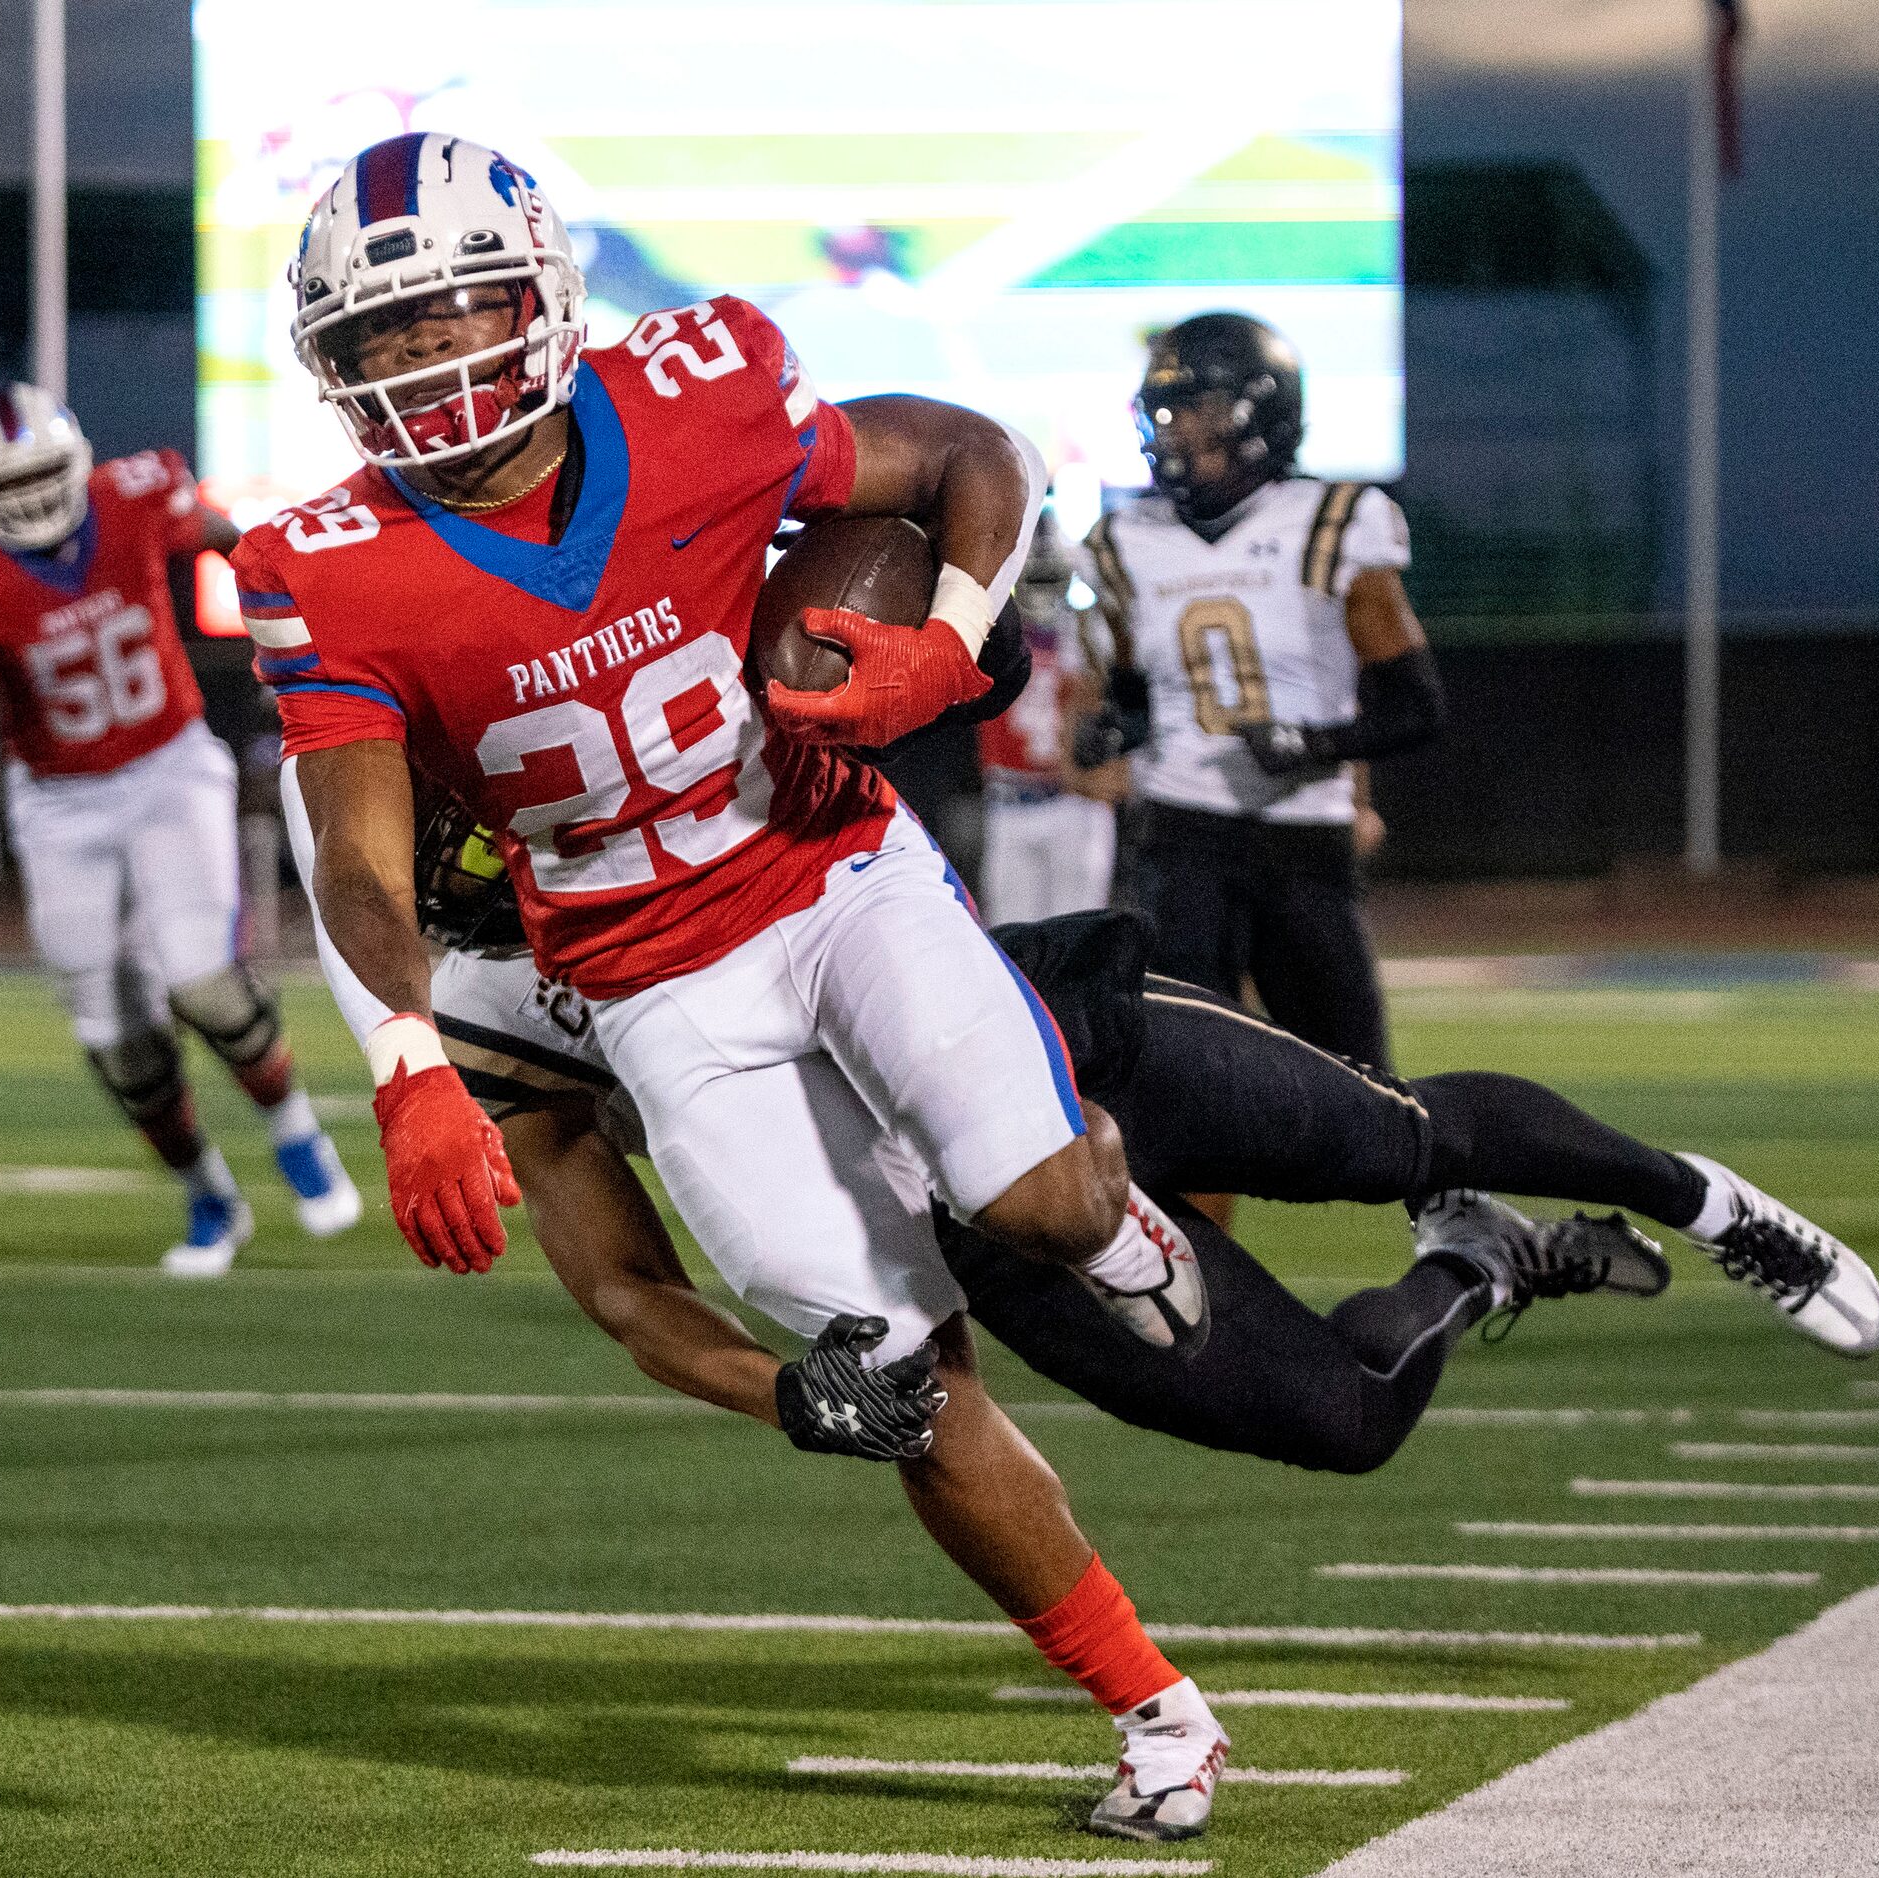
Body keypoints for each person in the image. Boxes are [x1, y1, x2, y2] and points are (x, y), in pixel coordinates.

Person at [249, 132, 1230, 1842]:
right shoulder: (323, 564)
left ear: (541, 292)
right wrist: (407, 1063)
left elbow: (971, 453)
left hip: (831, 864)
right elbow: (352, 853)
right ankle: (1154, 1701)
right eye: (380, 339)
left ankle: (1121, 1219)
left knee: (1045, 1201)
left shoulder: (700, 387)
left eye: (448, 312)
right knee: (893, 1370)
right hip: (645, 980)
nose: (421, 364)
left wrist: (947, 630)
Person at [317, 798, 1879, 1468]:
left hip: (1050, 1044)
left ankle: (1708, 1197)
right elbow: (617, 1275)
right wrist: (782, 1387)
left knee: (1397, 1131)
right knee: (1338, 1423)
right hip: (962, 1229)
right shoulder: (467, 1004)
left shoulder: (650, 733)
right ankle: (1473, 1269)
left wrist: (934, 648)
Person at [0, 386, 360, 1274]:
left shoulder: (135, 498)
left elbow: (245, 549)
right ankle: (209, 1195)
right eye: (10, 479)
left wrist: (300, 628)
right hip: (59, 804)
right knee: (109, 1030)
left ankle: (296, 1134)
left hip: (166, 769)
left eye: (41, 472)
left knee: (200, 979)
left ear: (76, 463)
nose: (30, 494)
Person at [1080, 313, 1444, 1073]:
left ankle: (1447, 1197)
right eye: (1166, 409)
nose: (1175, 430)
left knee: (1363, 1090)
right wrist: (1118, 726)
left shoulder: (1334, 521)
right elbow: (1137, 693)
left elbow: (1416, 708)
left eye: (1198, 408)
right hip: (1179, 838)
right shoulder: (1123, 542)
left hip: (1298, 834)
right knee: (1186, 1080)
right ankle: (1173, 1201)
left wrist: (1313, 745)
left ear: (1262, 410)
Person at [977, 509, 1121, 926]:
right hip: (1009, 801)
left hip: (1073, 800)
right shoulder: (991, 630)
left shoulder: (1088, 633)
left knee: (1078, 942)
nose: (1042, 588)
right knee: (1013, 941)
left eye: (1051, 574)